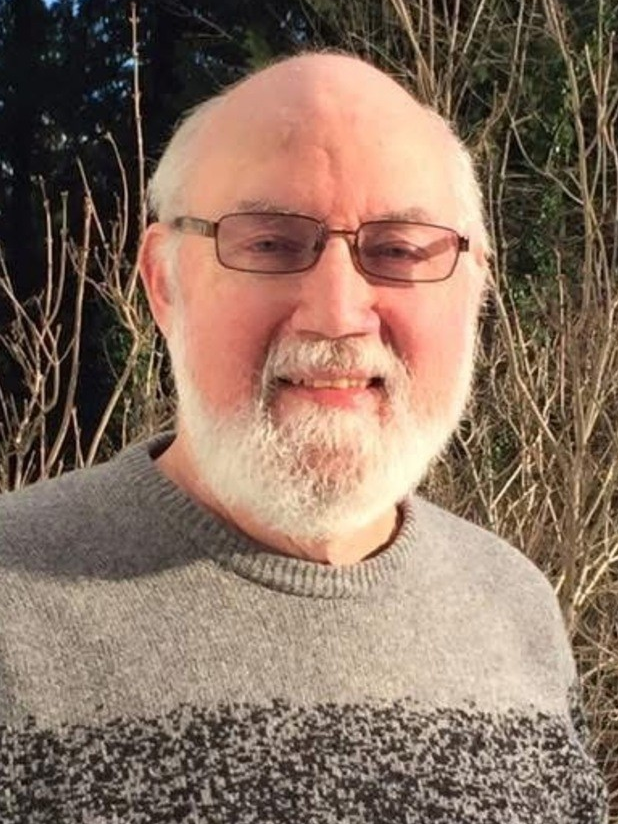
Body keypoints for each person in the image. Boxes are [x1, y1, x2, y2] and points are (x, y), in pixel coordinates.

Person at [0, 53, 608, 824]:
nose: (337, 313)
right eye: (270, 244)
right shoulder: (14, 607)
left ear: (476, 285)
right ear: (163, 283)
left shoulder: (515, 605)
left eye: (399, 249)